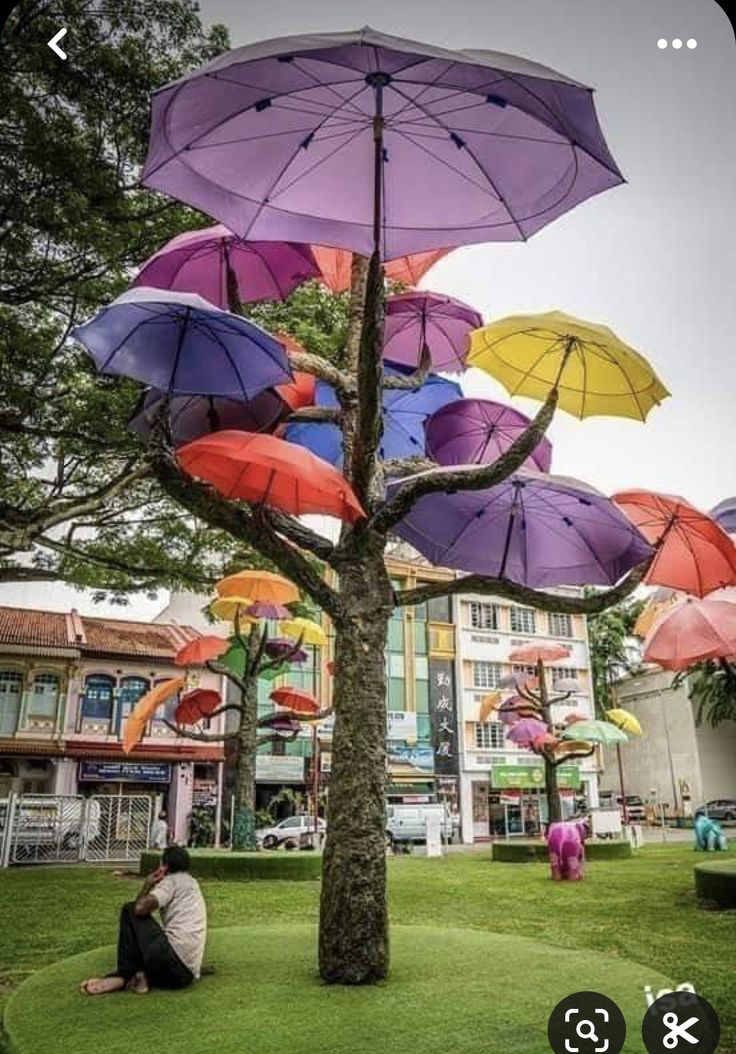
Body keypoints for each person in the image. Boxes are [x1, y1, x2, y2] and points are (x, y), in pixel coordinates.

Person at [80, 846, 207, 996]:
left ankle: (124, 975)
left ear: (164, 866)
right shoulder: (192, 883)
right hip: (184, 977)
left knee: (129, 909)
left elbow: (139, 909)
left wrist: (147, 884)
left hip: (169, 960)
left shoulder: (171, 881)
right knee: (157, 935)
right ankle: (142, 976)